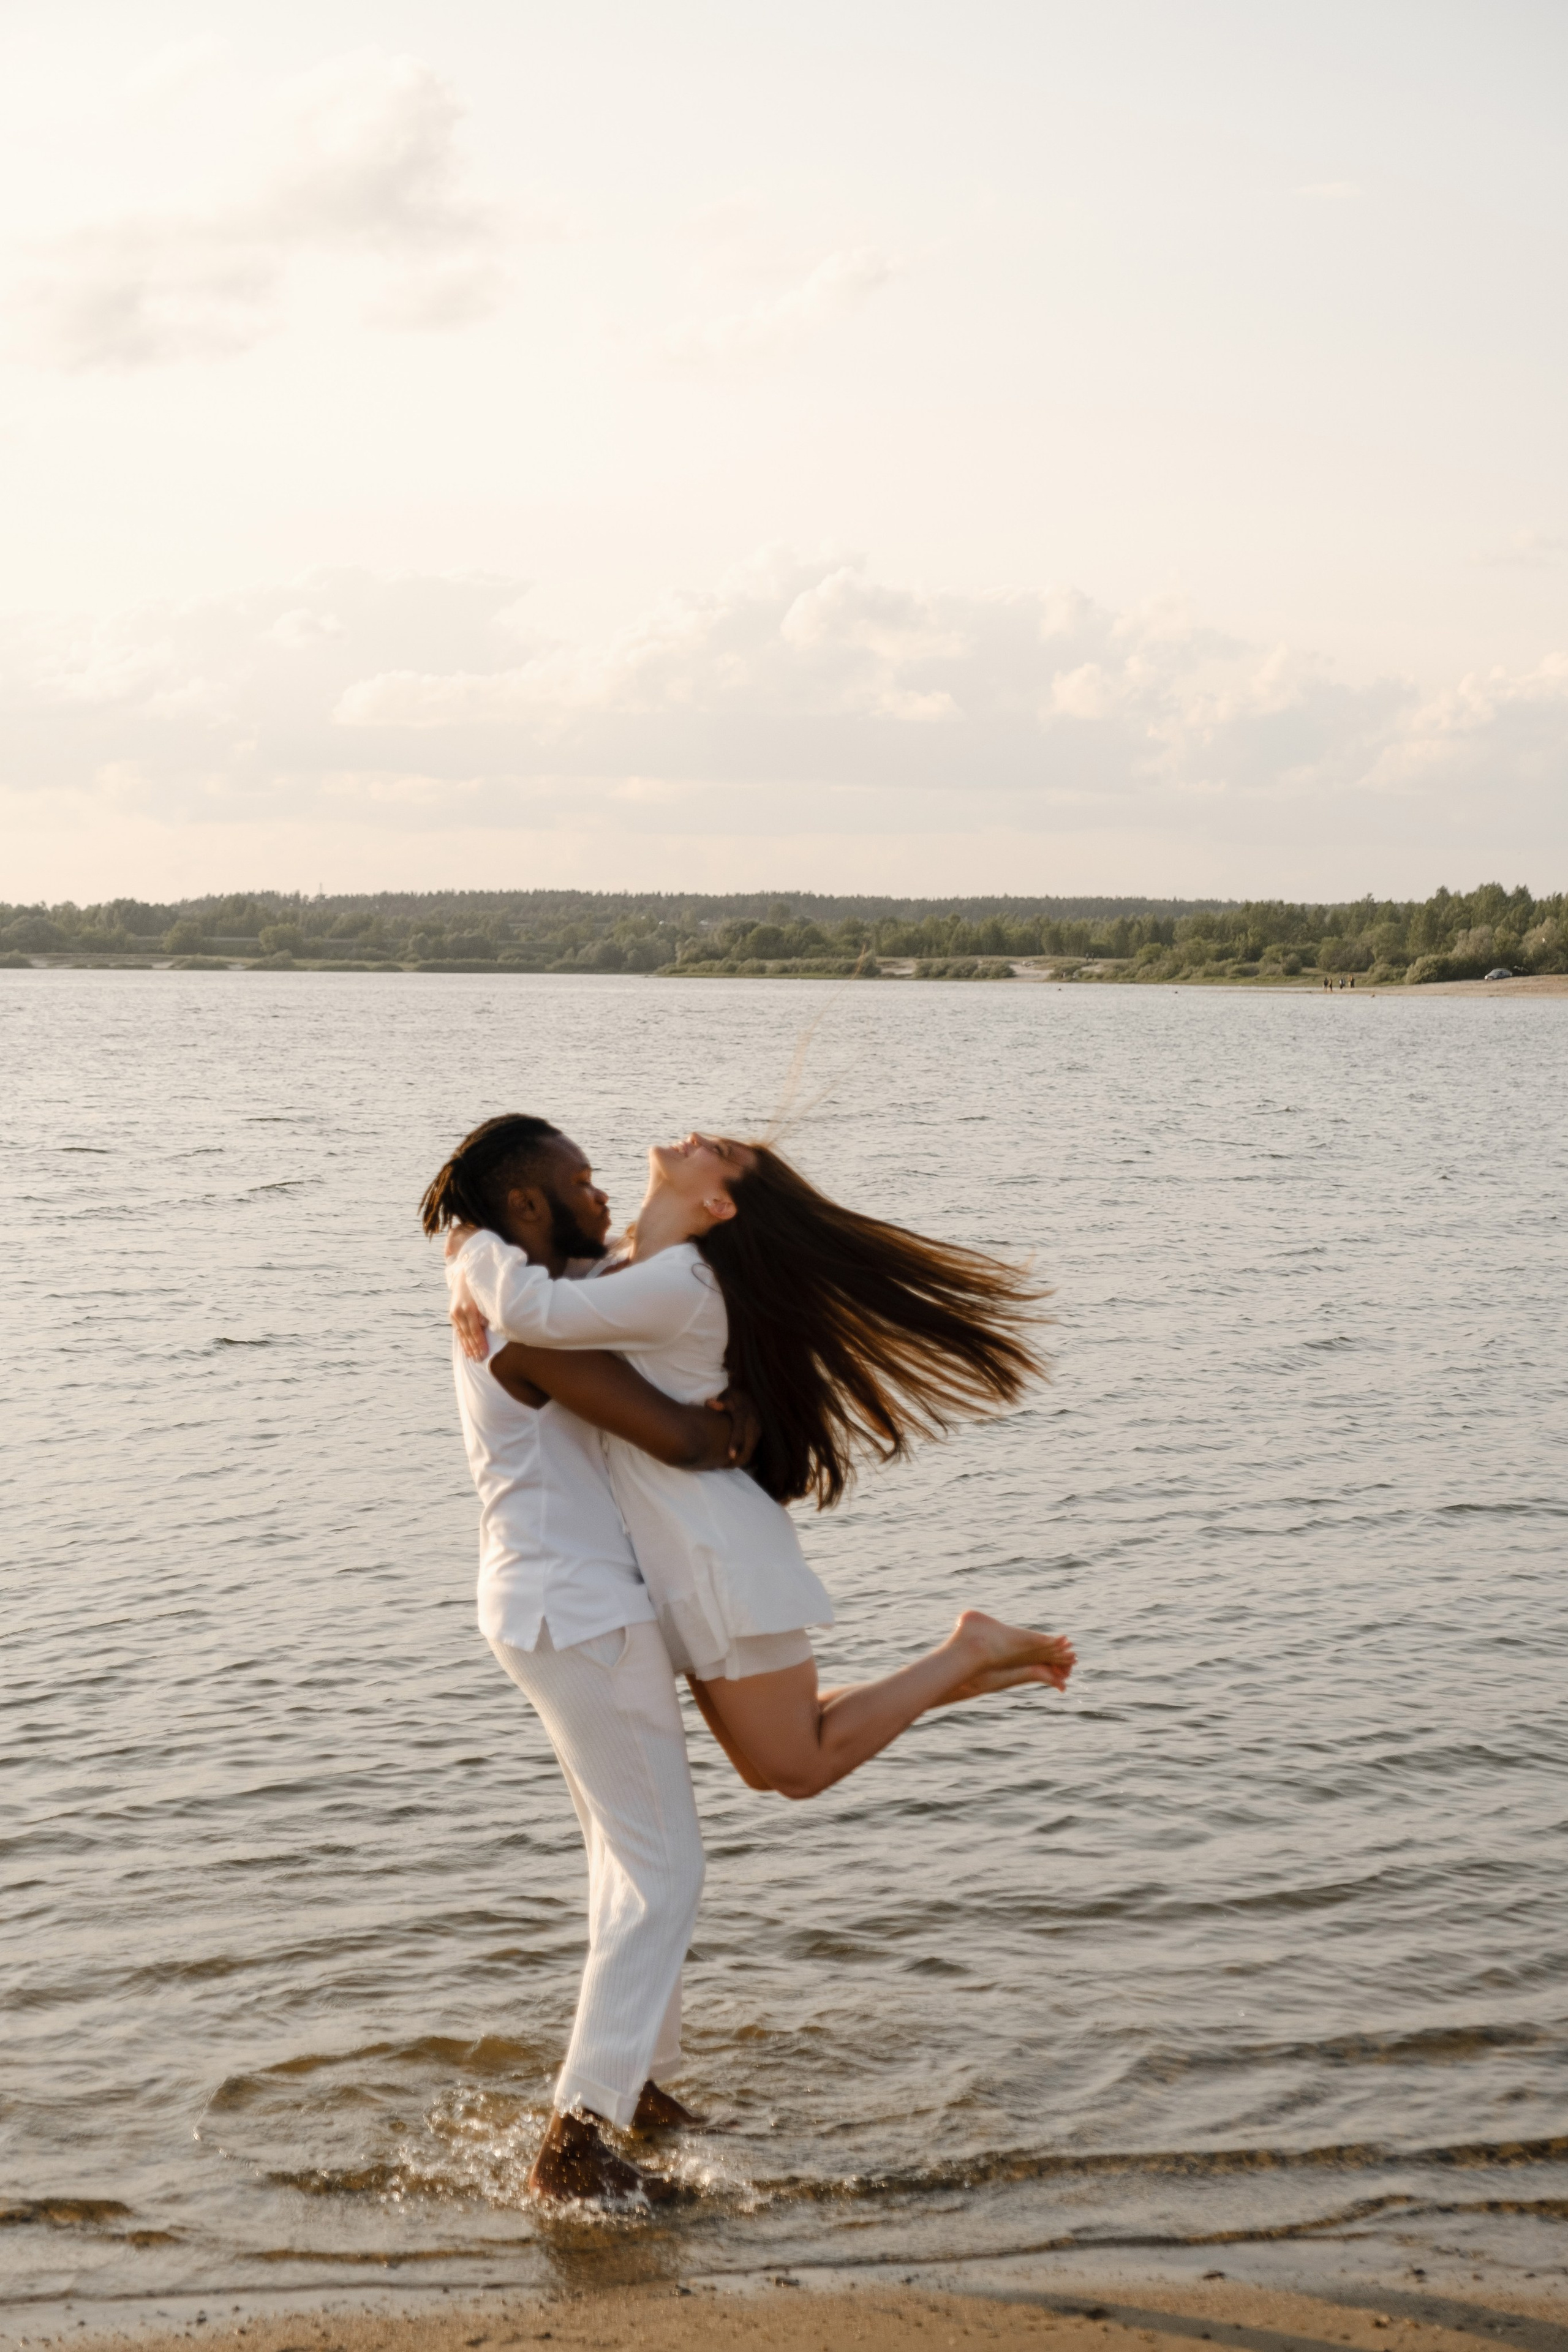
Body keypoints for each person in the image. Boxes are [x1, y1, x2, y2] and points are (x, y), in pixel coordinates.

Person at [443, 1129, 1076, 1806]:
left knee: (798, 1768)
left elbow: (529, 1310)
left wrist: (470, 1249)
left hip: (716, 1549)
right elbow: (536, 1293)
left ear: (719, 1205)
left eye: (720, 1151)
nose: (696, 1138)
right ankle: (956, 1679)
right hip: (680, 1550)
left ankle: (966, 1654)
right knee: (764, 1765)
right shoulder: (624, 1270)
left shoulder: (678, 1282)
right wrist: (465, 1270)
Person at [419, 1114, 763, 2207]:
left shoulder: (511, 1286)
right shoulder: (524, 1330)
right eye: (581, 1180)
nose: (602, 1193)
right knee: (667, 1875)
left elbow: (608, 1274)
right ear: (527, 1206)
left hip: (551, 1607)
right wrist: (739, 1425)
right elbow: (679, 1438)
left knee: (630, 1867)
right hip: (579, 1615)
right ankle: (576, 2144)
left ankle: (641, 2087)